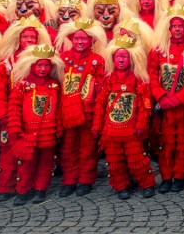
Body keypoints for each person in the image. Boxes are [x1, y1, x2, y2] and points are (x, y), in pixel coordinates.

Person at [92, 35, 156, 199]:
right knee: (115, 161)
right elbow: (100, 105)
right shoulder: (108, 79)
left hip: (131, 129)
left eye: (125, 56)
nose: (121, 60)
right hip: (111, 130)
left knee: (137, 159)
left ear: (132, 58)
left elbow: (145, 104)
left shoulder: (139, 79)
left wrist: (141, 124)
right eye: (118, 57)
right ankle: (121, 186)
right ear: (113, 58)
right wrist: (97, 126)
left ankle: (146, 183)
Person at [148, 7, 184, 193]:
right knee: (166, 143)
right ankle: (166, 176)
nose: (177, 29)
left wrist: (180, 98)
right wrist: (161, 97)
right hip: (165, 105)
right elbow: (152, 75)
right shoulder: (158, 51)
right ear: (168, 29)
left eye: (181, 26)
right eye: (174, 26)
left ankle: (180, 176)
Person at [55, 18, 107, 197]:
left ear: (91, 40)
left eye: (84, 39)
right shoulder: (63, 58)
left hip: (87, 111)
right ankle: (69, 179)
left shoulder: (98, 60)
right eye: (77, 38)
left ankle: (85, 179)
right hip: (67, 111)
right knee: (68, 147)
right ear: (71, 39)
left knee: (87, 147)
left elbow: (101, 86)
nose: (80, 42)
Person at [8, 44, 64, 205]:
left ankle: (41, 189)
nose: (43, 69)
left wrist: (58, 128)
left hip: (48, 130)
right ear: (32, 66)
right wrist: (15, 127)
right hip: (28, 131)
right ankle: (23, 190)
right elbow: (14, 107)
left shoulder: (54, 85)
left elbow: (59, 108)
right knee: (27, 163)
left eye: (46, 65)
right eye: (39, 65)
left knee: (46, 162)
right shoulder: (22, 85)